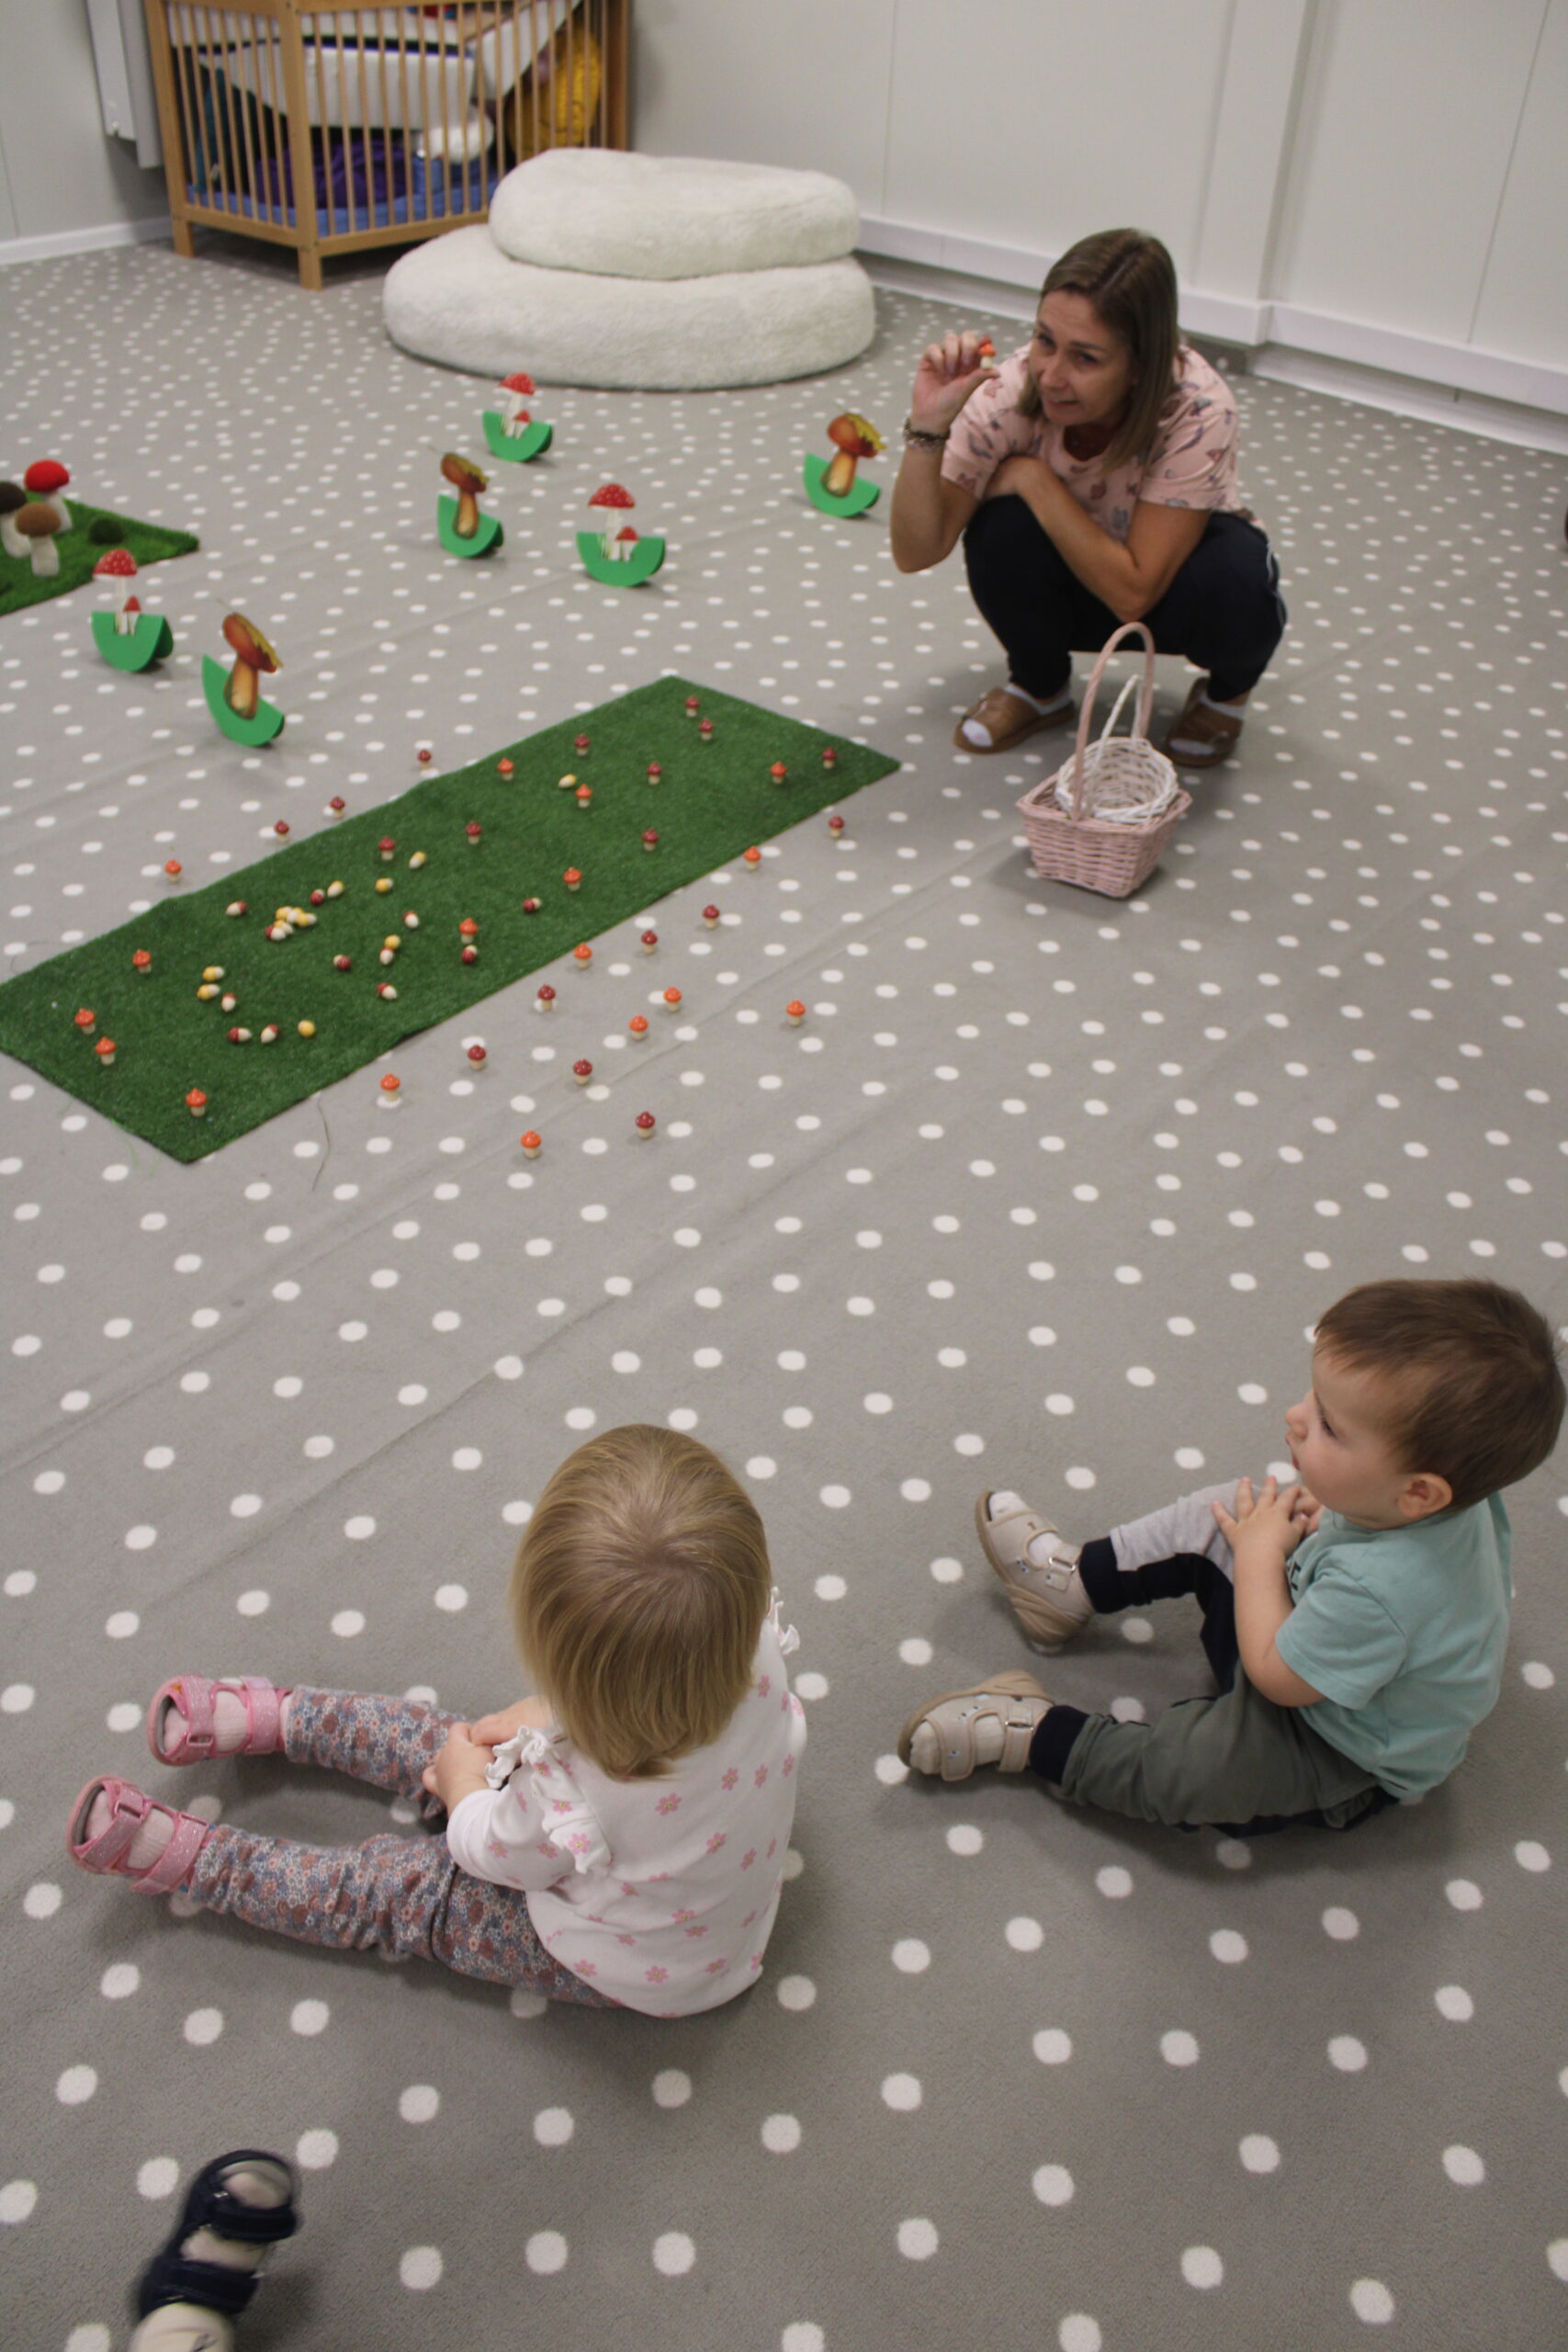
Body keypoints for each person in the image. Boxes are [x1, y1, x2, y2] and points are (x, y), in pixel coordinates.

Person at [68, 1426, 806, 2017]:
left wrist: (464, 1792)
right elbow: (659, 1690)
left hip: (624, 1960)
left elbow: (489, 1852)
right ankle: (289, 1718)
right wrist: (547, 1718)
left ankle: (205, 1862)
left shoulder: (573, 1798)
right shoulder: (749, 1648)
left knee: (394, 1888)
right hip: (687, 1892)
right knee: (464, 1743)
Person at [898, 1280, 1563, 1834]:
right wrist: (1310, 1518)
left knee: (1191, 1775)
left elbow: (1278, 1679)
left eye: (1329, 1426)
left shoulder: (1383, 1593)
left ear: (1418, 1492)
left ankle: (1033, 1733)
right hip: (1325, 1626)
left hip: (1336, 1745)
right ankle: (1074, 1584)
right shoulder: (1443, 1497)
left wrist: (1258, 1557)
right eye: (1313, 1397)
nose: (1294, 1416)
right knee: (1234, 1509)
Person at [889, 226, 1286, 769]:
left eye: (1086, 358)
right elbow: (915, 552)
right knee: (1000, 529)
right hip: (1071, 587)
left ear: (1141, 365)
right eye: (1044, 340)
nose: (1051, 376)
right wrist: (927, 426)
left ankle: (1226, 697)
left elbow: (1133, 595)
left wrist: (1033, 480)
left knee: (1241, 574)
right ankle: (1040, 687)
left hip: (1166, 593)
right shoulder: (1005, 393)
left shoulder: (1199, 409)